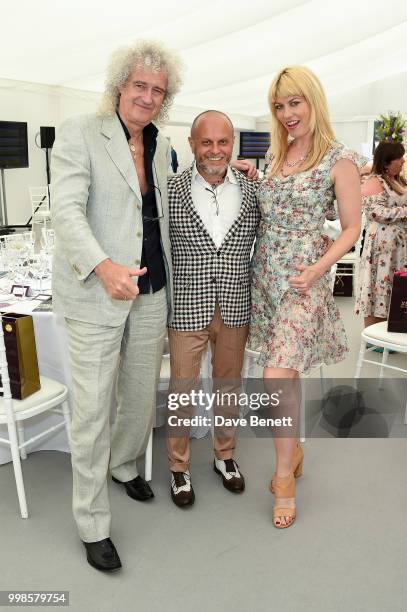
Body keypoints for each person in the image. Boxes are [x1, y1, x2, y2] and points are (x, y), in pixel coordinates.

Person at [51, 40, 183, 571]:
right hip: (96, 290)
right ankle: (91, 521)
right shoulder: (81, 131)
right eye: (140, 86)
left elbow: (163, 210)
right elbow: (66, 210)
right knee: (91, 412)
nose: (148, 97)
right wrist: (103, 267)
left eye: (158, 90)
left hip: (151, 286)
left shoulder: (160, 144)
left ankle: (126, 465)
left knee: (138, 393)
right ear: (119, 87)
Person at [248, 66, 363, 528]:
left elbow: (352, 228)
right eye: (279, 106)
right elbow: (270, 205)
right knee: (285, 373)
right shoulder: (277, 155)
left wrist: (319, 268)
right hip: (267, 275)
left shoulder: (340, 158)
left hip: (304, 278)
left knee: (276, 373)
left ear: (313, 100)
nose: (287, 113)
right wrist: (249, 178)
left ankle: (282, 478)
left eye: (295, 103)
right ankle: (292, 449)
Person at [166, 110, 260, 507]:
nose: (216, 150)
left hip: (236, 303)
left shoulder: (254, 189)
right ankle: (178, 467)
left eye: (223, 142)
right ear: (192, 145)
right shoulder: (170, 190)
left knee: (229, 385)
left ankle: (225, 456)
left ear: (232, 145)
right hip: (187, 305)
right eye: (207, 142)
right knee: (181, 389)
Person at [355, 140, 407, 327]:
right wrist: (405, 212)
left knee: (395, 288)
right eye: (398, 158)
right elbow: (375, 212)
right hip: (381, 247)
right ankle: (372, 333)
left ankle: (391, 328)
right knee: (377, 286)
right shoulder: (374, 181)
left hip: (398, 247)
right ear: (386, 161)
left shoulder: (398, 180)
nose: (402, 161)